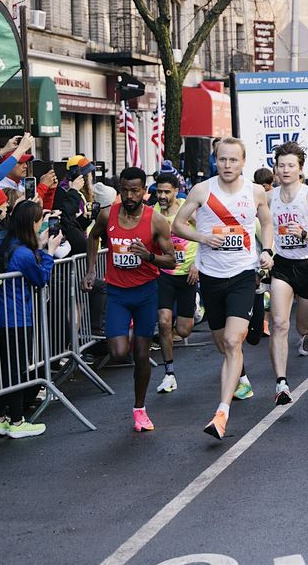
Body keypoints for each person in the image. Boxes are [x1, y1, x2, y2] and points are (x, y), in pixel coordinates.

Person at [172, 137, 274, 439]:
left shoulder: (254, 192)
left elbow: (266, 223)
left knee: (232, 341)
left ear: (243, 162)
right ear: (215, 160)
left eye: (233, 160)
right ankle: (239, 376)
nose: (227, 165)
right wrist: (202, 238)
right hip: (211, 278)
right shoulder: (202, 190)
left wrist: (267, 250)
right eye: (222, 159)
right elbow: (178, 224)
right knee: (222, 344)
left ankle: (221, 413)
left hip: (243, 273)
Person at [83, 168, 176, 431]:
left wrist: (148, 256)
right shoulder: (107, 215)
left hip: (146, 292)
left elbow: (171, 259)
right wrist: (91, 270)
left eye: (135, 190)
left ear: (144, 191)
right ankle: (130, 330)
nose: (129, 195)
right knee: (118, 352)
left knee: (142, 355)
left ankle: (139, 409)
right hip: (118, 293)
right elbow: (92, 237)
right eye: (124, 190)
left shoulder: (156, 221)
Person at [0, 202, 66, 439]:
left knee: (1, 370)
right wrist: (49, 252)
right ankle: (17, 421)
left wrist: (39, 246)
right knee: (15, 369)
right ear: (30, 223)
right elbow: (41, 278)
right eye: (39, 219)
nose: (42, 223)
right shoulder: (22, 253)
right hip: (16, 317)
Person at [267, 142, 308, 392]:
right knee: (279, 324)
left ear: (300, 168)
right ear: (275, 168)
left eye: (291, 166)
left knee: (302, 327)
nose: (285, 170)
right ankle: (281, 383)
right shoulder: (269, 197)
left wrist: (305, 233)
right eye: (281, 165)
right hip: (283, 265)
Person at [153, 173, 199, 393]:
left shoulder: (187, 209)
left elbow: (204, 234)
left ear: (175, 191)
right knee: (163, 322)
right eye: (159, 191)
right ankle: (169, 373)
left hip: (187, 273)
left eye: (166, 192)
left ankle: (195, 303)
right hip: (164, 273)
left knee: (184, 330)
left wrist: (197, 263)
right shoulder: (152, 213)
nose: (162, 196)